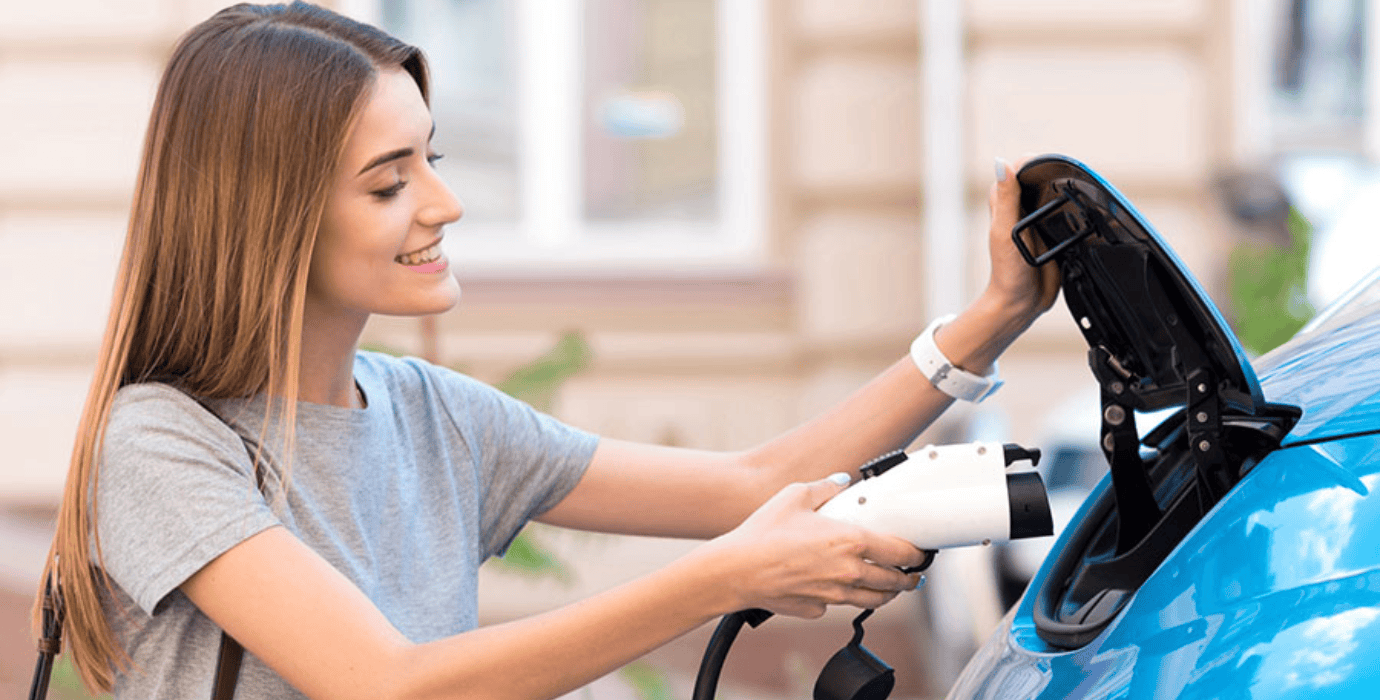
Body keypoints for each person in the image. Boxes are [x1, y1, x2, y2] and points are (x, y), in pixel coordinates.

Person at [38, 2, 1059, 699]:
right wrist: (726, 579)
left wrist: (991, 317)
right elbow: (385, 682)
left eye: (430, 158)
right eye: (389, 182)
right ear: (271, 215)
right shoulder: (163, 441)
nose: (446, 202)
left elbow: (758, 481)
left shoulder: (431, 413)